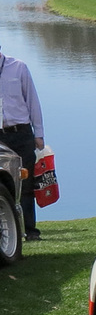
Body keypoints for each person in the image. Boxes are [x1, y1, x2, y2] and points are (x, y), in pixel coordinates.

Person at [0, 43, 45, 240]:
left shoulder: (18, 67)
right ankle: (10, 232)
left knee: (26, 183)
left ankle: (31, 230)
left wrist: (39, 134)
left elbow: (32, 100)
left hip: (21, 133)